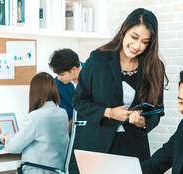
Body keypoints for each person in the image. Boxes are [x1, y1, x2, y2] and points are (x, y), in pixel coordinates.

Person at [72, 8, 168, 163]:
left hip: (134, 148)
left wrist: (143, 122)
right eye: (134, 37)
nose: (137, 46)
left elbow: (158, 110)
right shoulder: (98, 60)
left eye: (145, 42)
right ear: (125, 30)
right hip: (97, 146)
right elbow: (79, 101)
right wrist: (109, 112)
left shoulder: (155, 67)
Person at [1, 72, 69, 174]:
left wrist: (8, 137)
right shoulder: (63, 113)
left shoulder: (35, 116)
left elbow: (13, 147)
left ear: (34, 92)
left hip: (36, 173)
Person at [48, 48, 84, 132]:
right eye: (57, 74)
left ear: (74, 69)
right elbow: (66, 113)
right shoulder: (57, 83)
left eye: (61, 74)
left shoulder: (93, 73)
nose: (59, 77)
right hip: (72, 132)